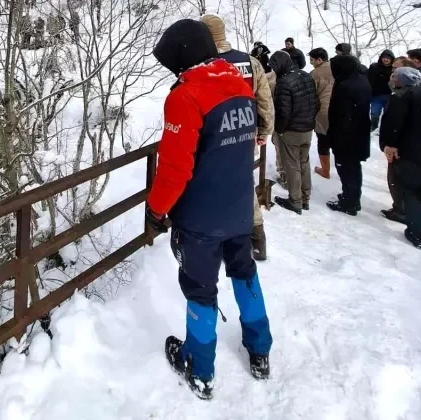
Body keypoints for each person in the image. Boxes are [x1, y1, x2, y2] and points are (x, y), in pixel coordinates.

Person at [146, 19, 273, 399]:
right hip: (238, 207)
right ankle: (260, 349)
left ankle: (199, 368)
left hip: (201, 217)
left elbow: (175, 168)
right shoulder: (238, 83)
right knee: (244, 273)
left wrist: (155, 211)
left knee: (200, 289)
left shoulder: (185, 96)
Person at [200, 14, 274, 261]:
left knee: (209, 183)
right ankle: (256, 237)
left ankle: (215, 239)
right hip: (244, 134)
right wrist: (264, 130)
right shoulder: (249, 61)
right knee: (243, 182)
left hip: (212, 137)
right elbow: (264, 101)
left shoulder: (202, 63)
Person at [378, 70, 421, 255]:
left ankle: (415, 231)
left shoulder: (413, 94)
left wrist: (389, 144)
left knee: (413, 193)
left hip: (414, 155)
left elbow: (394, 123)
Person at [269, 51, 319, 214]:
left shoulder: (283, 82)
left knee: (291, 165)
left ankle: (295, 201)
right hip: (307, 128)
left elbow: (283, 111)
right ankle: (305, 198)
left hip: (291, 130)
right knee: (303, 162)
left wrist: (280, 130)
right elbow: (316, 102)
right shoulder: (306, 76)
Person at [326, 55, 372, 215]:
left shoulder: (345, 86)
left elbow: (342, 116)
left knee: (346, 169)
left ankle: (349, 202)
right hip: (359, 132)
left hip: (346, 136)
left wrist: (336, 138)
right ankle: (352, 197)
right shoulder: (362, 80)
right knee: (353, 168)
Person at [379, 67, 421, 225]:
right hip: (415, 145)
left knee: (396, 178)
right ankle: (411, 208)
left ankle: (401, 210)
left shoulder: (400, 97)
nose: (391, 79)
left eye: (394, 76)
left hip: (399, 147)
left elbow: (394, 124)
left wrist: (388, 145)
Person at [308, 47, 334, 179]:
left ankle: (325, 170)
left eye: (312, 60)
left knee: (323, 141)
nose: (311, 62)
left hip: (322, 111)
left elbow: (311, 95)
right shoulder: (337, 68)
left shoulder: (315, 73)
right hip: (339, 109)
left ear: (319, 59)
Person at [367, 49, 394, 131]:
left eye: (388, 58)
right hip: (376, 95)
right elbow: (368, 79)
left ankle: (386, 128)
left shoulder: (394, 69)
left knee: (388, 113)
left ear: (392, 59)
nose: (386, 59)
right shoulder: (374, 67)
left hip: (389, 95)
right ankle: (374, 126)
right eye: (384, 57)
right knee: (375, 112)